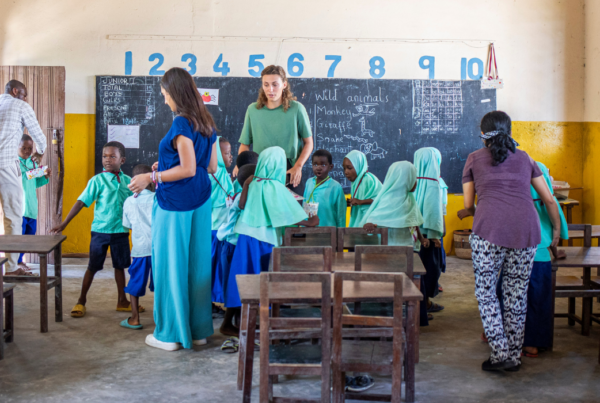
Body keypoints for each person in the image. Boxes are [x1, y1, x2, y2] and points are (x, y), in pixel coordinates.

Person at [458, 110, 561, 372]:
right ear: (510, 131)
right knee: (516, 294)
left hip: (487, 232)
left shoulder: (473, 159)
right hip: (526, 232)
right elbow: (549, 199)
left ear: (483, 135)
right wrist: (557, 230)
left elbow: (469, 205)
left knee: (486, 293)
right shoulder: (526, 158)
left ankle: (499, 354)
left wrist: (473, 210)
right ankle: (513, 357)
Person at [128, 67, 218, 352]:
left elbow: (188, 168)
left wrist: (150, 177)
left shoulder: (181, 123)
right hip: (202, 200)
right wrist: (165, 166)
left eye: (165, 94)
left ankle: (170, 334)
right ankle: (198, 330)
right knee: (197, 265)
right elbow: (210, 167)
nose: (164, 99)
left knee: (170, 267)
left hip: (175, 202)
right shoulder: (206, 122)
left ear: (175, 93)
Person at [224, 146, 319, 311]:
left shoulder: (254, 183)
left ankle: (243, 319)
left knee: (244, 278)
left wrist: (246, 184)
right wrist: (309, 221)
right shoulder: (276, 186)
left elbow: (241, 205)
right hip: (264, 242)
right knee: (263, 281)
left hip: (245, 238)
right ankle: (263, 318)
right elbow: (285, 214)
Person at [492, 161, 569, 358]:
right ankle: (532, 344)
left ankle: (502, 337)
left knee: (507, 294)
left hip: (513, 252)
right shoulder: (547, 203)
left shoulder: (511, 200)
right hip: (540, 256)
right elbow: (552, 229)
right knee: (538, 297)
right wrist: (555, 244)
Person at [51, 141, 133, 318]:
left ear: (122, 160)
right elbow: (81, 202)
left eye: (112, 156)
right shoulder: (97, 180)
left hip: (121, 231)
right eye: (105, 156)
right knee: (93, 266)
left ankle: (122, 300)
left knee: (120, 267)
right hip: (101, 231)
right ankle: (81, 301)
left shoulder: (128, 182)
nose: (107, 160)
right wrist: (64, 223)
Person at [234, 65, 313, 190]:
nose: (270, 89)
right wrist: (241, 164)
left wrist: (298, 166)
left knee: (289, 209)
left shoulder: (297, 109)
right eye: (266, 85)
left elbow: (308, 143)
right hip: (259, 168)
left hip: (289, 170)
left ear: (284, 85)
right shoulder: (252, 110)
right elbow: (245, 144)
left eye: (275, 84)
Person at [0, 80, 47, 275]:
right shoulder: (20, 105)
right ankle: (10, 268)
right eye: (24, 94)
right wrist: (40, 151)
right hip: (6, 166)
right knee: (13, 218)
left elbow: (31, 176)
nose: (25, 98)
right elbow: (38, 135)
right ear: (15, 91)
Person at [216, 164, 256, 348]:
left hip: (231, 245)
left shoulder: (242, 194)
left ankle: (233, 324)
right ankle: (230, 325)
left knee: (236, 287)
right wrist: (248, 185)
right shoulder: (243, 197)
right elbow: (243, 208)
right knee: (236, 287)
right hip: (231, 246)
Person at [361, 161, 429, 249]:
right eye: (413, 178)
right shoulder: (386, 200)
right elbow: (373, 220)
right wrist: (369, 224)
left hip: (408, 249)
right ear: (404, 179)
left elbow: (413, 222)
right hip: (387, 251)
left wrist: (421, 239)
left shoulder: (410, 199)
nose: (416, 182)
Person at [120, 164, 155, 330]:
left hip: (140, 250)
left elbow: (127, 225)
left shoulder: (128, 202)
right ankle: (162, 319)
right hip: (158, 249)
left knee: (135, 282)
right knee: (162, 284)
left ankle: (135, 318)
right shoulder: (157, 198)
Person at [414, 147, 445, 324]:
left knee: (418, 271)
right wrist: (434, 235)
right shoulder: (433, 182)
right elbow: (433, 212)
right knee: (430, 270)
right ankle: (424, 304)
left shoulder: (412, 180)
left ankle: (422, 304)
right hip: (428, 236)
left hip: (415, 234)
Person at [17, 134, 52, 272]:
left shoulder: (33, 163)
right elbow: (23, 178)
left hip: (31, 207)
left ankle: (21, 260)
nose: (27, 151)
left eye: (30, 148)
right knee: (18, 237)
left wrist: (45, 176)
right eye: (23, 148)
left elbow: (34, 183)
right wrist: (37, 171)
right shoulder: (15, 163)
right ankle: (17, 262)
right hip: (20, 208)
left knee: (29, 237)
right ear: (17, 148)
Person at [210, 136, 234, 304]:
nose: (230, 157)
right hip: (213, 227)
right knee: (212, 266)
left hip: (219, 227)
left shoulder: (223, 173)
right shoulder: (213, 172)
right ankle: (209, 302)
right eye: (226, 153)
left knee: (215, 266)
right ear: (216, 154)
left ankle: (212, 301)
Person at [303, 149, 346, 227]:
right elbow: (304, 203)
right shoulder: (309, 182)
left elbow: (341, 215)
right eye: (315, 164)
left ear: (330, 167)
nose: (318, 168)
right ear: (311, 165)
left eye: (323, 165)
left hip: (329, 232)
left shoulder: (336, 186)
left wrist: (340, 235)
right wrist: (303, 228)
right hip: (309, 231)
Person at [343, 150, 382, 227]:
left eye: (349, 168)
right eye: (344, 168)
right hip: (360, 222)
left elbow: (381, 200)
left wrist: (361, 201)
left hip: (370, 223)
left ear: (359, 165)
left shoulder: (368, 179)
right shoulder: (356, 181)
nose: (346, 172)